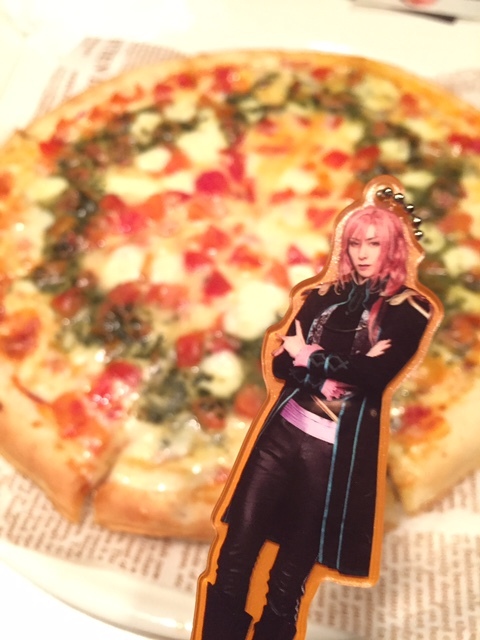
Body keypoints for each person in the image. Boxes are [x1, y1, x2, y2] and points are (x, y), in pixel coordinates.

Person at [194, 194, 440, 640]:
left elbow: (376, 376)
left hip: (333, 455)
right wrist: (333, 365)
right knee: (234, 552)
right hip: (282, 432)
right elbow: (281, 366)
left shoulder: (411, 311)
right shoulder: (321, 295)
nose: (362, 254)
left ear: (394, 247)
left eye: (374, 244)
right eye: (354, 243)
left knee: (288, 582)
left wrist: (309, 355)